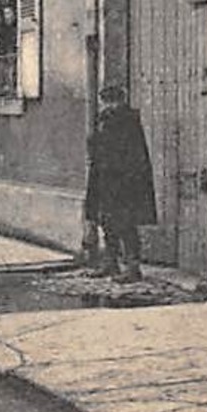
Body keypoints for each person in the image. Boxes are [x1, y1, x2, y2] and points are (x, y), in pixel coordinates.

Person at [82, 84, 158, 282]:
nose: (106, 106)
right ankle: (111, 263)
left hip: (124, 183)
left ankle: (133, 268)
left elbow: (131, 155)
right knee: (107, 222)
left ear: (119, 101)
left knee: (126, 225)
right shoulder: (107, 120)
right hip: (105, 179)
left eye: (110, 102)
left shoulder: (127, 122)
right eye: (106, 103)